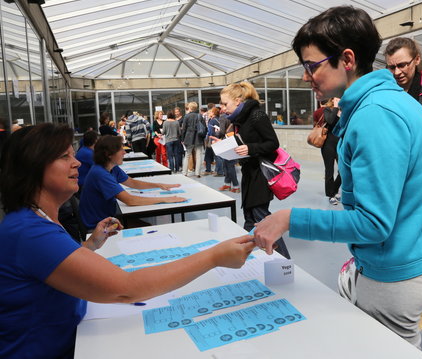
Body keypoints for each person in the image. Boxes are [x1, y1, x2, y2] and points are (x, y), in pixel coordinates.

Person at [253, 6, 422, 349]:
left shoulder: (375, 116)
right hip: (408, 258)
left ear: (347, 59)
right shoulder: (391, 101)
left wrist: (288, 219)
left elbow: (373, 224)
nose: (305, 77)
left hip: (396, 274)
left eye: (312, 66)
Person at [0, 123, 256, 359]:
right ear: (33, 167)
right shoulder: (30, 232)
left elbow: (51, 267)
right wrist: (213, 257)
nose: (76, 163)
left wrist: (89, 247)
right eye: (64, 156)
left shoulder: (34, 221)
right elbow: (127, 288)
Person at [218, 81, 290, 259]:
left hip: (260, 176)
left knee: (261, 219)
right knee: (250, 217)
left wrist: (250, 148)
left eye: (225, 104)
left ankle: (285, 262)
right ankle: (244, 257)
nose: (222, 108)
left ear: (238, 100)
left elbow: (272, 143)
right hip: (249, 174)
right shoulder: (239, 120)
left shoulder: (257, 115)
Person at [79, 135, 185, 230]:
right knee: (147, 229)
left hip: (108, 218)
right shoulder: (100, 173)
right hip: (97, 226)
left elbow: (131, 182)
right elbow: (130, 200)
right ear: (108, 154)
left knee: (146, 227)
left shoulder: (111, 167)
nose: (124, 152)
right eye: (120, 149)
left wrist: (158, 185)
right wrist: (165, 199)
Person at [313, 97, 341, 205]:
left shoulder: (343, 111)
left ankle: (333, 189)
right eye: (336, 100)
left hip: (340, 144)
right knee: (329, 170)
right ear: (332, 101)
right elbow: (329, 120)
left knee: (342, 170)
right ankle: (330, 195)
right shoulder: (327, 110)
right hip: (328, 144)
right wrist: (335, 108)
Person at [181, 102, 205, 178]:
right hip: (198, 138)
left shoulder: (187, 116)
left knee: (187, 155)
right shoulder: (200, 116)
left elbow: (184, 129)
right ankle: (197, 173)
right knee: (199, 155)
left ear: (190, 108)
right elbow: (204, 127)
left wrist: (182, 139)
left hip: (189, 138)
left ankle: (185, 172)